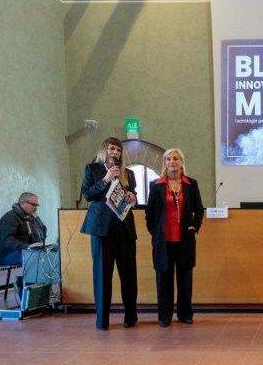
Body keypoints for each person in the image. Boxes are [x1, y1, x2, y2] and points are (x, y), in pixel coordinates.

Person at [80, 137, 138, 331]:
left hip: (124, 229)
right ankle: (102, 320)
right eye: (112, 148)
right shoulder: (92, 169)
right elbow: (87, 195)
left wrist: (133, 198)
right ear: (104, 150)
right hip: (101, 229)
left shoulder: (128, 173)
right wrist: (105, 180)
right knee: (102, 275)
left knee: (129, 275)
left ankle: (131, 317)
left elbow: (134, 199)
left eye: (118, 150)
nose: (115, 153)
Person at [145, 148, 203, 327]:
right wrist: (155, 232)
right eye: (168, 158)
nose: (172, 161)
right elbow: (149, 212)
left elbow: (199, 209)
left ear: (182, 162)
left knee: (185, 278)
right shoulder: (156, 185)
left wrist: (195, 226)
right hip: (163, 239)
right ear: (165, 163)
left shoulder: (191, 184)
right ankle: (165, 315)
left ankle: (185, 313)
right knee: (164, 279)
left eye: (176, 158)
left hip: (184, 239)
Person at [0, 192, 46, 266]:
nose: (35, 208)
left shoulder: (33, 217)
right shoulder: (9, 218)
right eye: (33, 205)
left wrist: (40, 245)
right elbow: (7, 240)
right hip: (10, 254)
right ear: (22, 203)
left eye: (37, 205)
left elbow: (43, 229)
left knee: (53, 253)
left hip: (28, 251)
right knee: (40, 257)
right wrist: (27, 246)